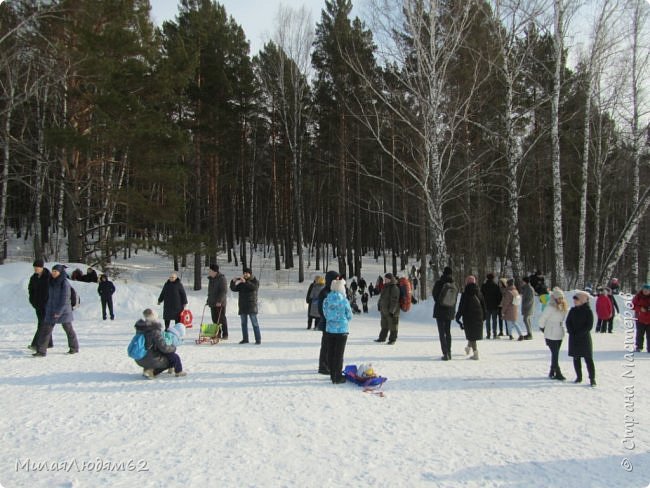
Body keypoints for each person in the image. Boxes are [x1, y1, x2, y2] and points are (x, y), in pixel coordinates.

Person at [33, 264, 79, 357]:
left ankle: (74, 347)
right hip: (51, 310)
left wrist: (59, 312)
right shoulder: (51, 281)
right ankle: (41, 351)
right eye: (53, 271)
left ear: (60, 272)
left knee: (68, 329)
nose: (53, 273)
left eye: (56, 271)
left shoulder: (65, 283)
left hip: (63, 311)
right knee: (45, 330)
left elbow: (65, 299)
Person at [134, 309, 186, 379]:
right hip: (150, 359)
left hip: (139, 357)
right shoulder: (154, 330)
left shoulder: (140, 329)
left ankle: (147, 369)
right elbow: (164, 348)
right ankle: (153, 371)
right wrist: (173, 348)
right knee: (173, 358)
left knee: (153, 353)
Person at [322, 278, 353, 384]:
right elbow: (349, 315)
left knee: (330, 352)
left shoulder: (326, 300)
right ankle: (338, 376)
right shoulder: (344, 300)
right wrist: (343, 320)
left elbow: (325, 314)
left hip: (330, 330)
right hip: (342, 331)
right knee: (339, 354)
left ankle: (332, 375)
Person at [566, 291, 596, 386]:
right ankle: (579, 377)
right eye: (574, 300)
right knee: (576, 358)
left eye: (577, 300)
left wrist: (580, 333)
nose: (574, 301)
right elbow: (568, 322)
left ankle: (592, 378)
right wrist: (571, 331)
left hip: (584, 338)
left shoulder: (588, 311)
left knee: (588, 359)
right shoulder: (572, 310)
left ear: (582, 300)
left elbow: (589, 326)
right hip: (574, 337)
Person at [538, 287, 568, 380]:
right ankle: (557, 371)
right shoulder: (550, 307)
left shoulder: (563, 307)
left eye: (562, 298)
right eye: (559, 298)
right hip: (550, 333)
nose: (561, 300)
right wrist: (543, 329)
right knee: (555, 353)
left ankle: (552, 370)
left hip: (559, 332)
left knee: (556, 353)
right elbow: (542, 319)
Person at [455, 276, 486, 360]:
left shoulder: (465, 293)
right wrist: (484, 316)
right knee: (472, 334)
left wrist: (457, 317)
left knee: (471, 335)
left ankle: (475, 353)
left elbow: (462, 307)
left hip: (468, 317)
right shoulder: (479, 292)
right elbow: (483, 305)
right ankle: (468, 348)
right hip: (478, 316)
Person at [317, 270, 340, 375]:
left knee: (333, 346)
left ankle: (329, 365)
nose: (338, 281)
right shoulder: (324, 292)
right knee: (326, 345)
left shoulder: (335, 292)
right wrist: (329, 318)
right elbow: (321, 310)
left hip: (335, 324)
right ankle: (323, 366)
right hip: (327, 323)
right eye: (336, 279)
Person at [230, 267, 261, 344]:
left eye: (246, 273)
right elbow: (234, 289)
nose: (245, 274)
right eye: (244, 273)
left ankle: (258, 339)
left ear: (250, 274)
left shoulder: (255, 281)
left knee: (255, 323)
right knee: (243, 324)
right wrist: (233, 282)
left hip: (251, 305)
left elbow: (254, 288)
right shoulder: (242, 282)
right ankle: (245, 339)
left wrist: (245, 282)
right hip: (243, 306)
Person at [432, 266, 457, 359]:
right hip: (449, 310)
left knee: (441, 332)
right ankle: (449, 352)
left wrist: (439, 302)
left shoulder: (439, 283)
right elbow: (455, 299)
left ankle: (445, 352)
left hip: (440, 310)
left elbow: (434, 295)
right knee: (448, 331)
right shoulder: (454, 284)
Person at [28, 259, 52, 350]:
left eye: (37, 267)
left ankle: (36, 344)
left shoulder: (48, 276)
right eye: (34, 267)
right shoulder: (33, 277)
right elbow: (30, 290)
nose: (35, 269)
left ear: (41, 267)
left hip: (47, 305)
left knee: (42, 324)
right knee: (42, 323)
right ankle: (49, 343)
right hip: (37, 305)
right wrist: (32, 301)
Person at [375, 273, 401, 344]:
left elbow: (395, 300)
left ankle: (392, 340)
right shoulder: (385, 287)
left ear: (390, 279)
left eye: (386, 279)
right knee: (384, 325)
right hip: (384, 310)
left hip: (392, 311)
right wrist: (379, 304)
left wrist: (392, 311)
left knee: (393, 326)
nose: (385, 280)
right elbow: (382, 297)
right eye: (385, 279)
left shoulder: (394, 288)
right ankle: (382, 338)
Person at [207, 264, 229, 339]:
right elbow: (210, 291)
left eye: (210, 271)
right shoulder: (211, 279)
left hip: (220, 303)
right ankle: (217, 333)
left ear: (215, 271)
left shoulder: (222, 278)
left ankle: (225, 334)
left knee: (221, 319)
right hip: (212, 302)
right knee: (214, 319)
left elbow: (223, 291)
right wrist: (208, 300)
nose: (209, 272)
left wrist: (219, 301)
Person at [481, 273, 501, 339]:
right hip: (494, 306)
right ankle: (494, 334)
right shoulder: (496, 286)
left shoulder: (484, 286)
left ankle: (488, 334)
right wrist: (498, 304)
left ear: (487, 278)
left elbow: (481, 295)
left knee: (487, 320)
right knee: (494, 320)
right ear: (493, 278)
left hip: (486, 305)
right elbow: (499, 296)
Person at [632, 284, 650, 352]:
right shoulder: (638, 296)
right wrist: (640, 308)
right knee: (639, 334)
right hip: (640, 319)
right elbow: (632, 306)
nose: (645, 291)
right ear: (642, 290)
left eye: (647, 290)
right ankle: (639, 347)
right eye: (644, 290)